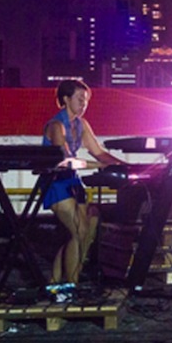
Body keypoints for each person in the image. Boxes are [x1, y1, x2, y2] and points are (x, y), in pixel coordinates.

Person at [43, 79, 126, 285]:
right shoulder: (56, 125)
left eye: (86, 100)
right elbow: (65, 160)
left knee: (86, 228)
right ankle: (71, 284)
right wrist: (101, 167)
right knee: (77, 231)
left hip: (74, 182)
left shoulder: (82, 125)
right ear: (65, 99)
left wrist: (123, 166)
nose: (84, 104)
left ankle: (59, 281)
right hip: (57, 183)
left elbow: (98, 152)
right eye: (80, 99)